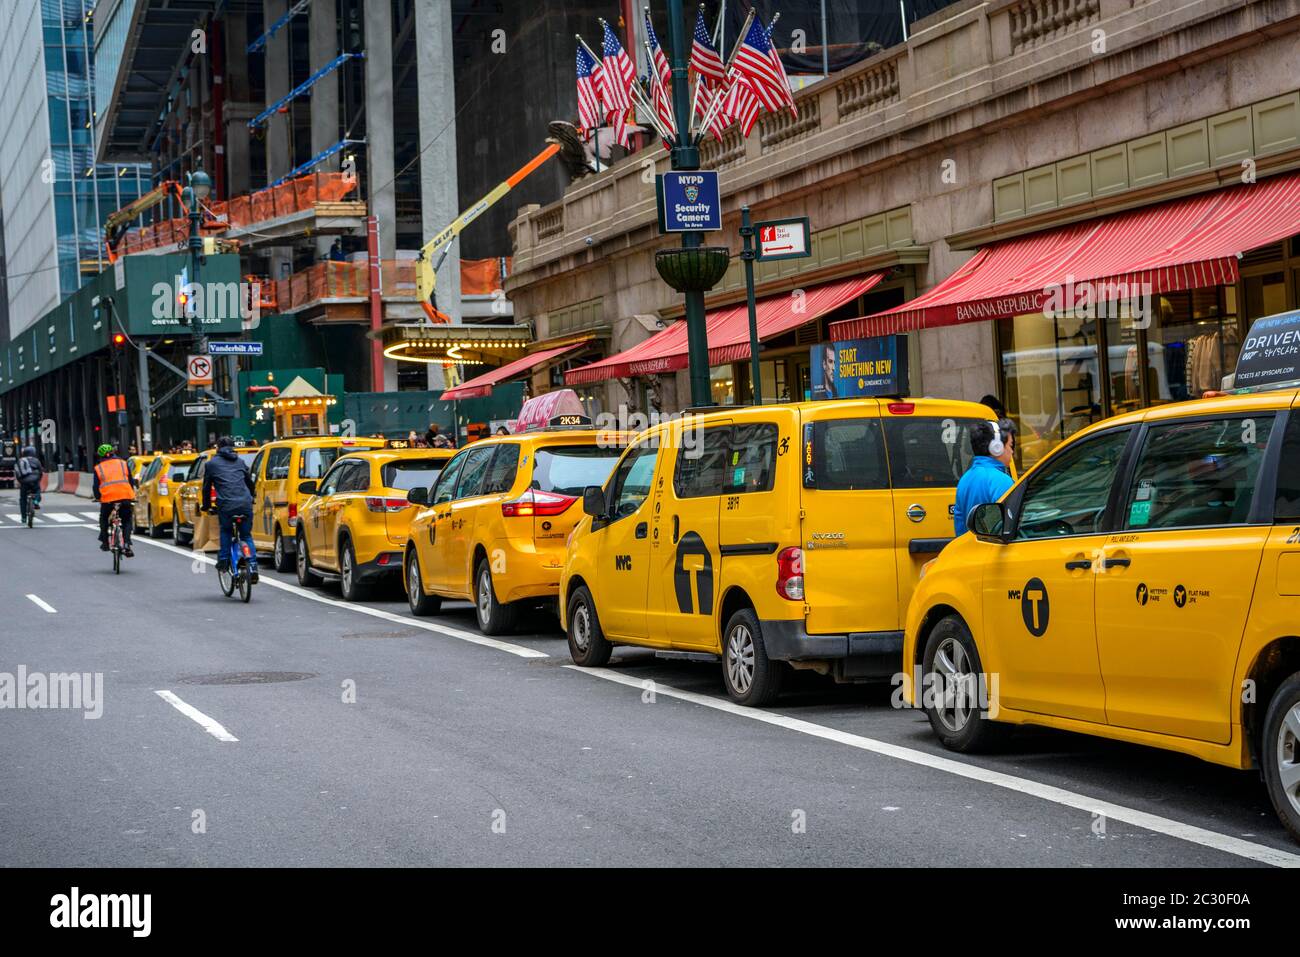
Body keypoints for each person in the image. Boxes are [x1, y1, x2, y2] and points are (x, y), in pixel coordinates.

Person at [201, 436, 258, 582]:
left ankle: (224, 561)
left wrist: (206, 506)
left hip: (226, 505)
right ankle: (252, 565)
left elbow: (206, 488)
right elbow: (249, 483)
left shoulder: (211, 464)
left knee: (226, 530)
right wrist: (252, 497)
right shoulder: (240, 461)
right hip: (245, 503)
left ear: (218, 448)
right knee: (246, 536)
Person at [954, 418, 1017, 536]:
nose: (1012, 452)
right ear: (996, 448)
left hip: (971, 551)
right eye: (1010, 445)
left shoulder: (965, 479)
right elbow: (1009, 528)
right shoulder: (1001, 481)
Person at [92, 443, 136, 555]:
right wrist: (131, 494)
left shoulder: (98, 468)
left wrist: (98, 498)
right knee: (127, 519)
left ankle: (105, 542)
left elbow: (96, 487)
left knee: (104, 518)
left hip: (108, 499)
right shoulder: (123, 463)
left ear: (100, 456)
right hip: (125, 496)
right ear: (113, 453)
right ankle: (126, 543)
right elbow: (130, 481)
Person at [16, 445, 43, 524]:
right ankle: (36, 502)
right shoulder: (36, 460)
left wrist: (20, 482)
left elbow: (18, 473)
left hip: (24, 482)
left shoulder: (20, 460)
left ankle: (23, 517)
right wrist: (38, 480)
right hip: (34, 481)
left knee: (23, 499)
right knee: (38, 491)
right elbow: (41, 472)